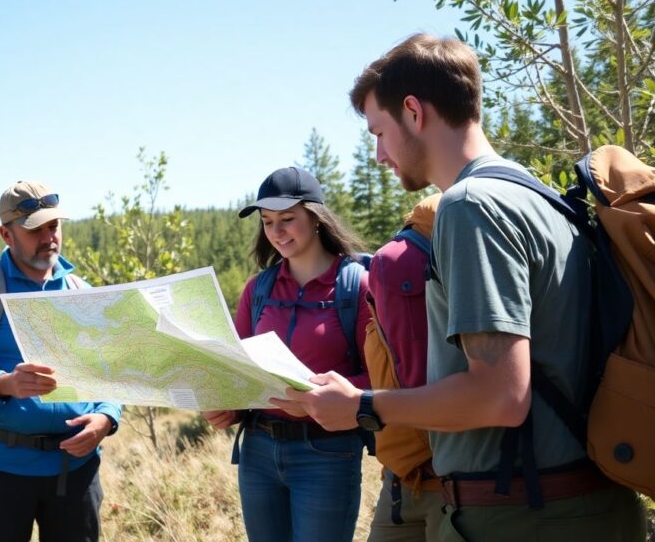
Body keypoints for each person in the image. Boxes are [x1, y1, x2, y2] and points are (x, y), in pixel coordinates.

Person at [274, 34, 645, 541]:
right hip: (579, 505)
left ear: (413, 111)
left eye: (378, 132)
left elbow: (500, 395)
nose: (379, 154)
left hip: (522, 516)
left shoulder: (471, 207)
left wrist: (362, 404)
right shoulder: (536, 194)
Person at [0, 180, 122, 542]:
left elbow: (110, 376)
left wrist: (106, 418)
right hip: (0, 473)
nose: (48, 236)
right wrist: (4, 384)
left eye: (53, 226)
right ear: (6, 234)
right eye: (35, 229)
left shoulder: (81, 293)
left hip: (77, 472)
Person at [203, 166, 371, 542]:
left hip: (326, 453)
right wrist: (227, 407)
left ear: (316, 218)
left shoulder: (356, 286)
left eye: (287, 219)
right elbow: (238, 370)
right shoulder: (257, 290)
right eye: (267, 222)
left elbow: (379, 380)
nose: (276, 232)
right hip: (258, 452)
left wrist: (318, 400)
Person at [362, 193, 445, 542]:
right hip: (409, 479)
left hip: (423, 477)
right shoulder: (390, 266)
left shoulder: (386, 264)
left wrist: (356, 402)